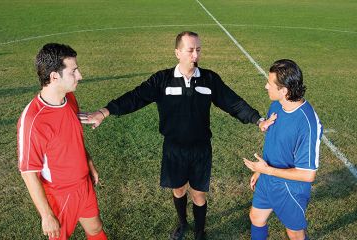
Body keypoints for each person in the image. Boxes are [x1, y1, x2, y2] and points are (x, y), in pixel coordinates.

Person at [79, 31, 274, 240]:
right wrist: (105, 111)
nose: (195, 55)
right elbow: (135, 97)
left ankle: (200, 231)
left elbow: (233, 102)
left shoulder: (209, 80)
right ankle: (182, 224)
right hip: (174, 148)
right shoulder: (162, 80)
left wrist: (257, 119)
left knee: (198, 194)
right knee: (179, 190)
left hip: (201, 149)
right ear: (177, 52)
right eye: (190, 50)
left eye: (198, 50)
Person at [17, 43, 107, 240]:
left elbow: (73, 138)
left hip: (83, 184)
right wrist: (47, 215)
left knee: (95, 227)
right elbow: (28, 173)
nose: (80, 76)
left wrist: (89, 162)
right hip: (61, 194)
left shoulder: (70, 98)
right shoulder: (33, 120)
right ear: (54, 76)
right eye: (73, 71)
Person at [243, 59, 323, 240]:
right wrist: (262, 172)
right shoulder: (277, 106)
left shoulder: (307, 124)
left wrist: (266, 170)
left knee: (294, 234)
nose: (265, 86)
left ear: (284, 90)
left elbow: (307, 175)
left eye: (270, 83)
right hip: (267, 177)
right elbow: (274, 142)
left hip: (290, 188)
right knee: (256, 217)